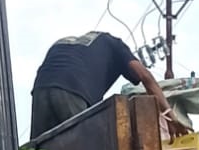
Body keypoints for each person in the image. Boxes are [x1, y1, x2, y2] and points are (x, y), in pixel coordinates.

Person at [30, 31, 187, 138]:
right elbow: (146, 77)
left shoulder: (68, 44)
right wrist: (169, 116)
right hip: (74, 91)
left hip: (40, 88)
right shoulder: (115, 44)